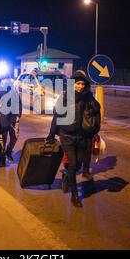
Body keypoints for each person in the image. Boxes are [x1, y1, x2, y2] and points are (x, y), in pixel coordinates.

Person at [46, 71, 101, 208]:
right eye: (78, 83)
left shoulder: (88, 97)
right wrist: (51, 135)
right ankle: (75, 195)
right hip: (67, 135)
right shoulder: (64, 97)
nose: (81, 86)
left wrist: (92, 102)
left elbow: (96, 114)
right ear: (72, 84)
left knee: (77, 165)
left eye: (83, 84)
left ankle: (66, 176)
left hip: (82, 136)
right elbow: (56, 118)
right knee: (73, 163)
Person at [0, 73, 22, 167]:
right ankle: (2, 158)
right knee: (3, 139)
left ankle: (9, 151)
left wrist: (18, 115)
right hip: (2, 118)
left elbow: (19, 103)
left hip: (13, 118)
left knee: (14, 136)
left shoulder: (14, 91)